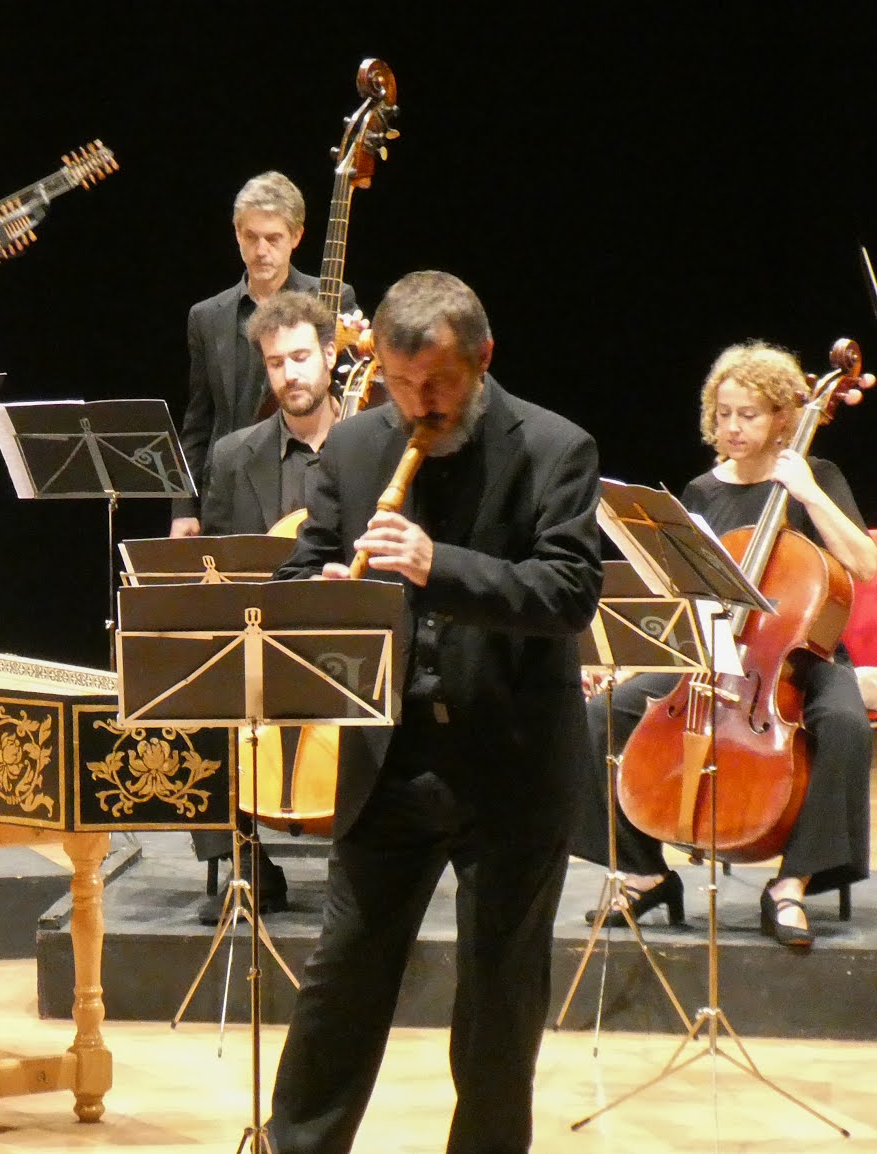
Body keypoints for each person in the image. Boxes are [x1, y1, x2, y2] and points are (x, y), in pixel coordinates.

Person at [263, 271, 602, 1153]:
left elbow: (568, 594)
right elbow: (301, 574)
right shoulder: (353, 447)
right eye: (400, 383)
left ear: (483, 359)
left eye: (440, 383)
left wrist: (432, 562)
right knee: (341, 986)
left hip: (513, 771)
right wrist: (328, 593)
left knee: (498, 1005)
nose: (420, 405)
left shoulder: (555, 449)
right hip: (393, 766)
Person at [570, 342, 874, 946]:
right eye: (725, 413)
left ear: (784, 417)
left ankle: (792, 884)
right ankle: (642, 871)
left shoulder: (819, 476)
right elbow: (680, 595)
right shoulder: (701, 490)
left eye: (750, 415)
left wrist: (808, 492)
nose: (733, 428)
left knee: (845, 725)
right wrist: (624, 657)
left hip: (803, 654)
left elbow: (864, 566)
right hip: (714, 653)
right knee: (596, 716)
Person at [188, 290, 344, 923]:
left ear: (330, 356)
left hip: (347, 643)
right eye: (276, 362)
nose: (291, 374)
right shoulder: (231, 455)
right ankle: (248, 864)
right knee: (192, 693)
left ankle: (362, 869)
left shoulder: (373, 446)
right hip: (263, 639)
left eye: (302, 357)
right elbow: (218, 569)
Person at [173, 171, 357, 536]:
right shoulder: (206, 316)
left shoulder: (332, 298)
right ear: (237, 234)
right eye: (251, 237)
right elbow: (198, 421)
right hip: (229, 491)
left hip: (299, 486)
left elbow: (346, 398)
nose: (261, 251)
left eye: (273, 239)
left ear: (296, 237)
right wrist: (183, 507)